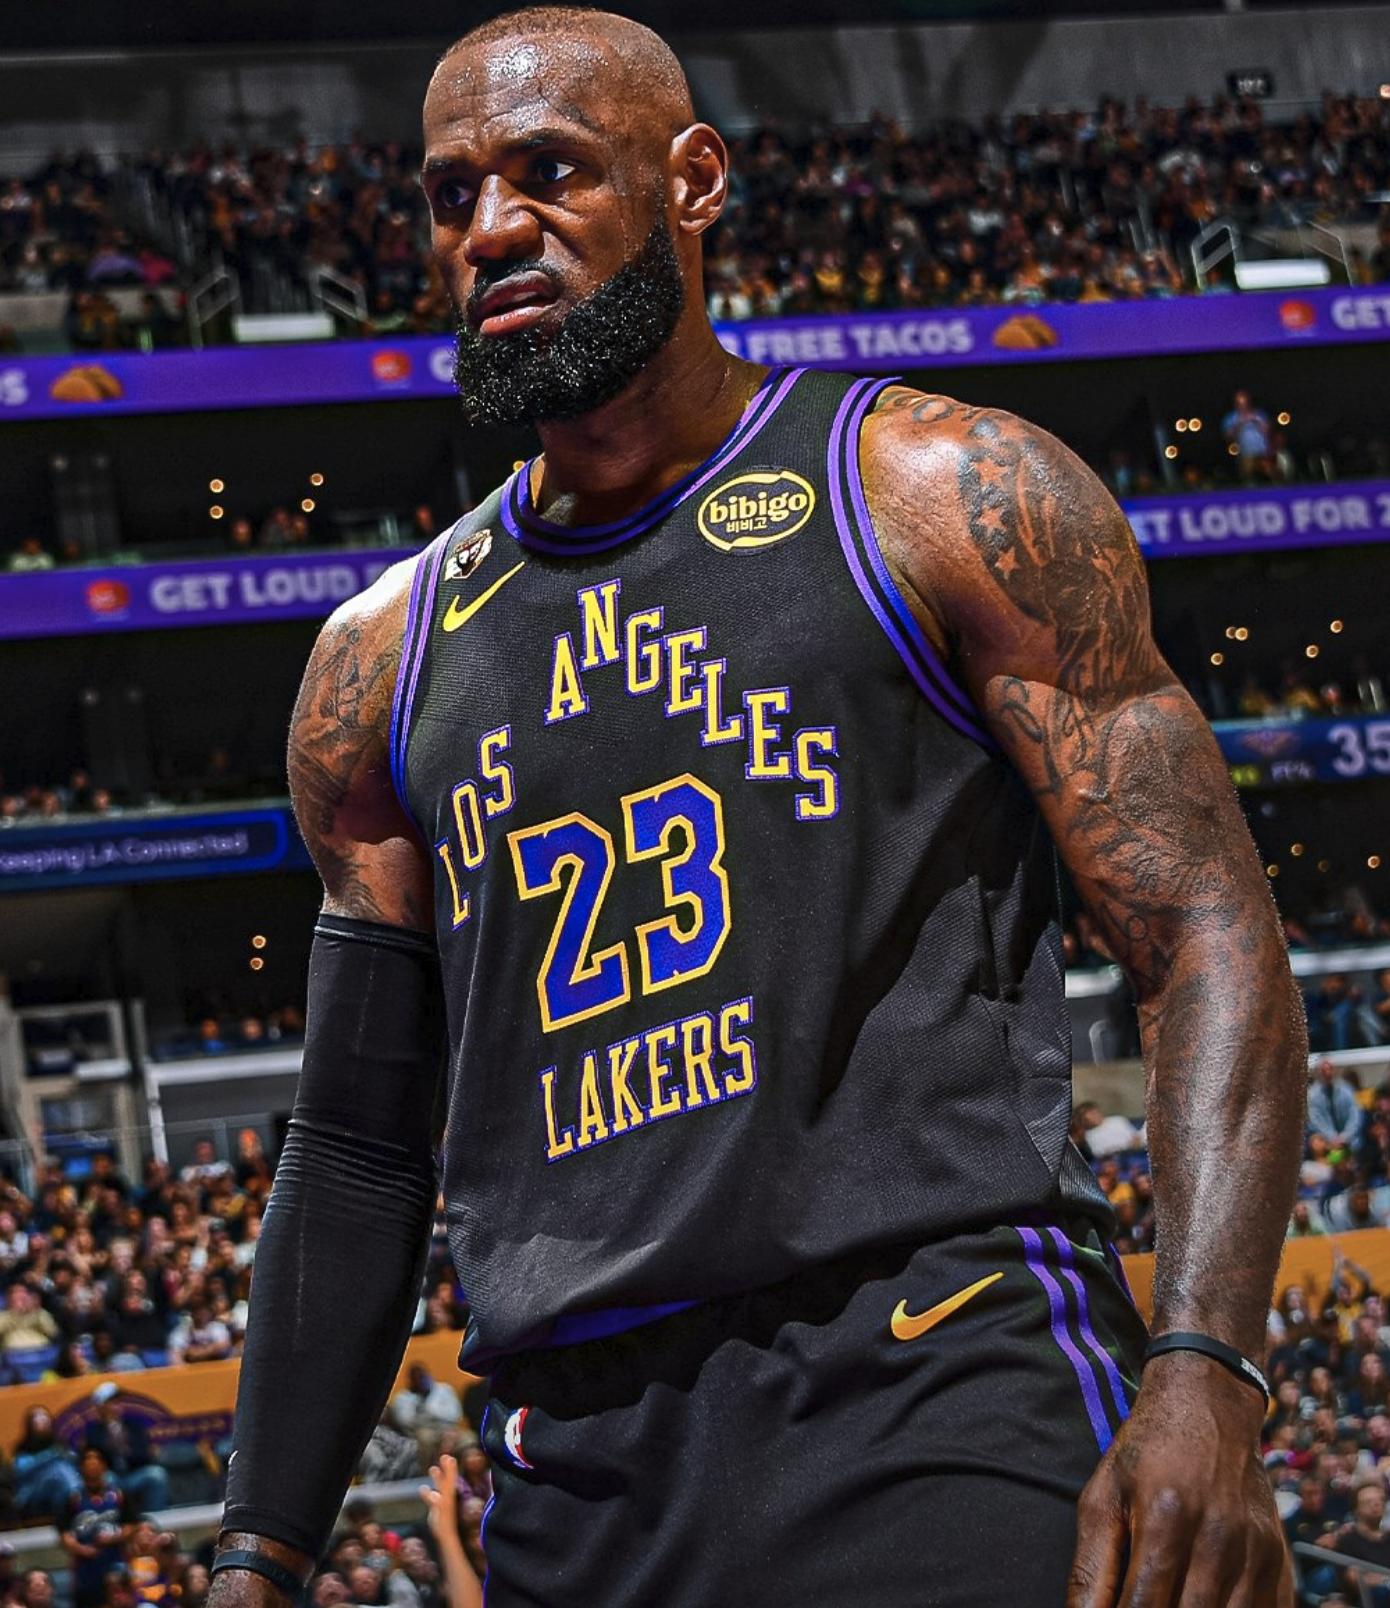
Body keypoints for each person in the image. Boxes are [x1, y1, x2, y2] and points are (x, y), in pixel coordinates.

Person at [210, 13, 1305, 1608]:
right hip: (578, 1469)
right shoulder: (376, 664)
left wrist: (1205, 1371)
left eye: (548, 172)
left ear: (692, 180)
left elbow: (1202, 931)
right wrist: (258, 1554)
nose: (491, 227)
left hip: (932, 1370)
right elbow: (360, 1149)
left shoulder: (937, 495)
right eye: (451, 194)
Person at [61, 1448, 138, 1608]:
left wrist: (113, 1538)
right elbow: (63, 1533)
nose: (92, 1464)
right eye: (87, 1460)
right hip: (86, 1568)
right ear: (81, 1468)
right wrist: (81, 1549)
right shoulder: (73, 1498)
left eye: (96, 1460)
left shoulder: (118, 1494)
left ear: (104, 1466)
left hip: (115, 1561)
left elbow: (132, 1525)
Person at [83, 1383, 170, 1513]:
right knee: (106, 1479)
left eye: (119, 1402)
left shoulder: (134, 1426)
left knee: (156, 1474)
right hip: (111, 1475)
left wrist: (126, 1450)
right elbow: (95, 1459)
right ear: (101, 1406)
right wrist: (112, 1448)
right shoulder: (93, 1431)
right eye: (112, 1402)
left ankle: (156, 1516)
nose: (118, 1405)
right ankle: (112, 1519)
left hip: (134, 1474)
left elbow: (144, 1454)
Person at [1309, 1057, 1364, 1148]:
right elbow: (1316, 1121)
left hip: (1350, 1140)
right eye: (1324, 1070)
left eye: (1330, 1069)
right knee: (1316, 1142)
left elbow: (1355, 1115)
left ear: (1335, 1070)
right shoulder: (1313, 1095)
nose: (1327, 1073)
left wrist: (1345, 1136)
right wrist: (1332, 1137)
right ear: (1318, 1072)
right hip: (1325, 1141)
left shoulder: (1347, 1090)